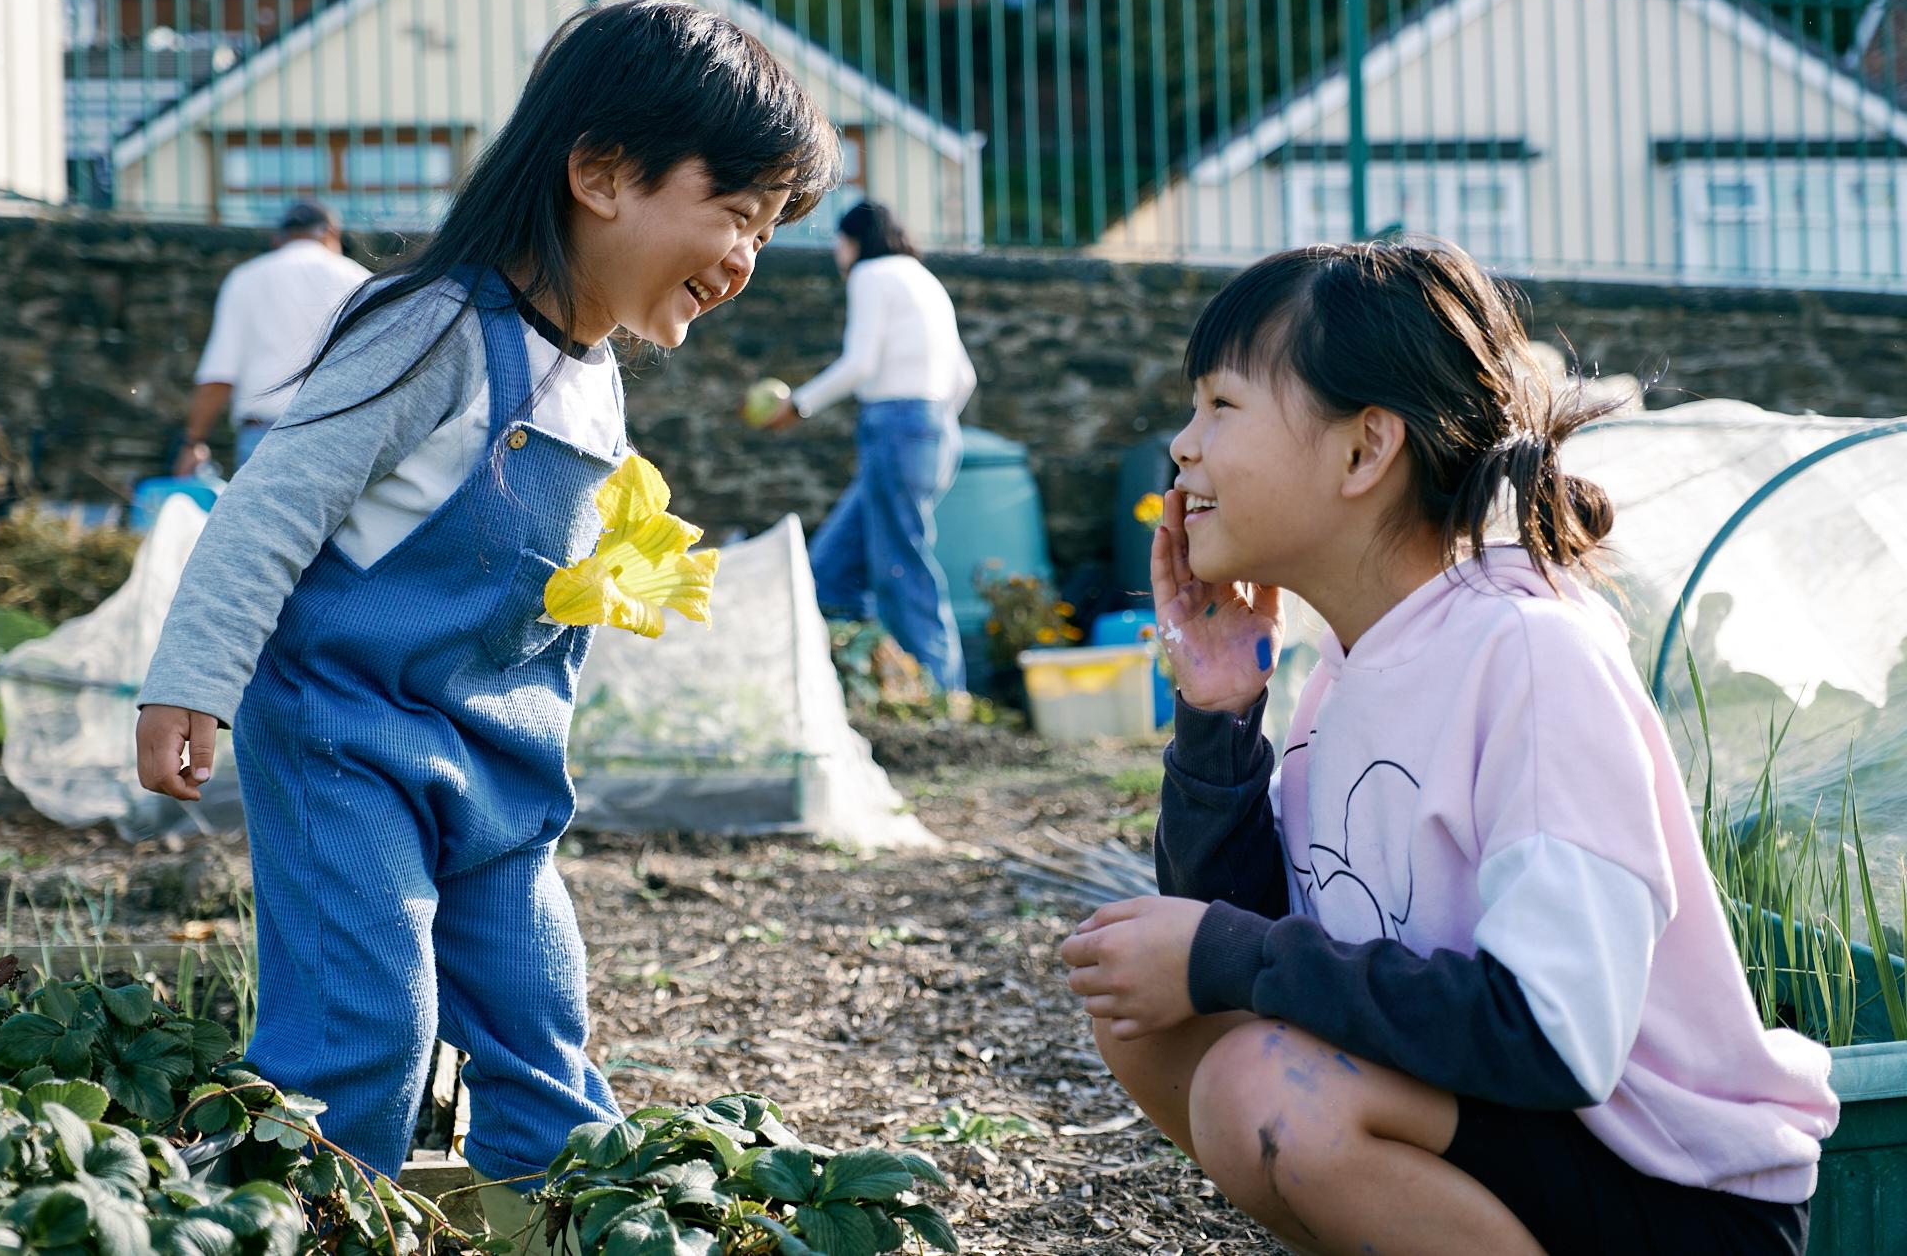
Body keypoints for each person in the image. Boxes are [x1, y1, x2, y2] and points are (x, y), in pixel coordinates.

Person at [133, 0, 840, 1214]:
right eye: (734, 213)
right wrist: (190, 678)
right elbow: (270, 506)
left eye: (766, 232)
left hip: (500, 769)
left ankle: (570, 1222)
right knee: (366, 1034)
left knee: (540, 1027)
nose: (743, 259)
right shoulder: (433, 329)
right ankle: (276, 1221)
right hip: (351, 744)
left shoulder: (594, 378)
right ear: (602, 174)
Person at [1059, 241, 1838, 1256]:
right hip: (1518, 1138)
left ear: (1362, 450)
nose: (1181, 447)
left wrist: (1227, 954)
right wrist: (1218, 709)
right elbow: (1253, 939)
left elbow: (1552, 1033)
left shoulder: (1526, 654)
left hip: (1672, 1197)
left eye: (1219, 406)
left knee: (1270, 1084)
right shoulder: (1344, 669)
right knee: (1148, 1009)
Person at [765, 199, 975, 693]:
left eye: (839, 242)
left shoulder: (871, 274)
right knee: (831, 567)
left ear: (853, 241)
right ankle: (870, 682)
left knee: (902, 570)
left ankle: (941, 696)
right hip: (935, 430)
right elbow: (964, 376)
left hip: (897, 428)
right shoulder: (924, 279)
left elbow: (859, 363)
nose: (838, 253)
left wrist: (797, 406)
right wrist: (928, 422)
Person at [174, 200, 370, 476]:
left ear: (278, 238)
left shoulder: (246, 278)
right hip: (339, 433)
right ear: (331, 234)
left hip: (264, 435)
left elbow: (219, 373)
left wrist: (192, 442)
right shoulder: (359, 280)